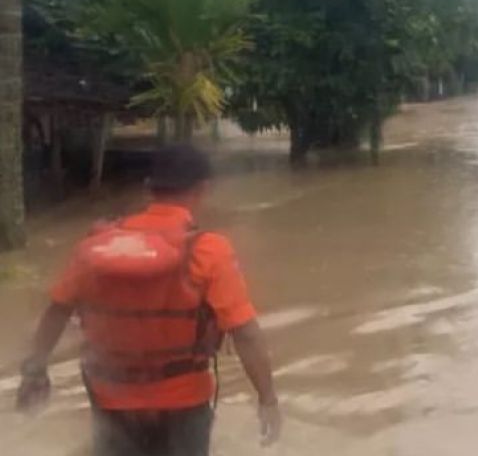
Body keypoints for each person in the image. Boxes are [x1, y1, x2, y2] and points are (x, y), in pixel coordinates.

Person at [16, 144, 282, 455]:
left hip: (111, 398)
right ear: (203, 188)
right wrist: (267, 400)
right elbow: (245, 334)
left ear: (148, 188)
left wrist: (35, 371)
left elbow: (57, 311)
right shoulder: (209, 250)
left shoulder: (97, 246)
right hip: (183, 402)